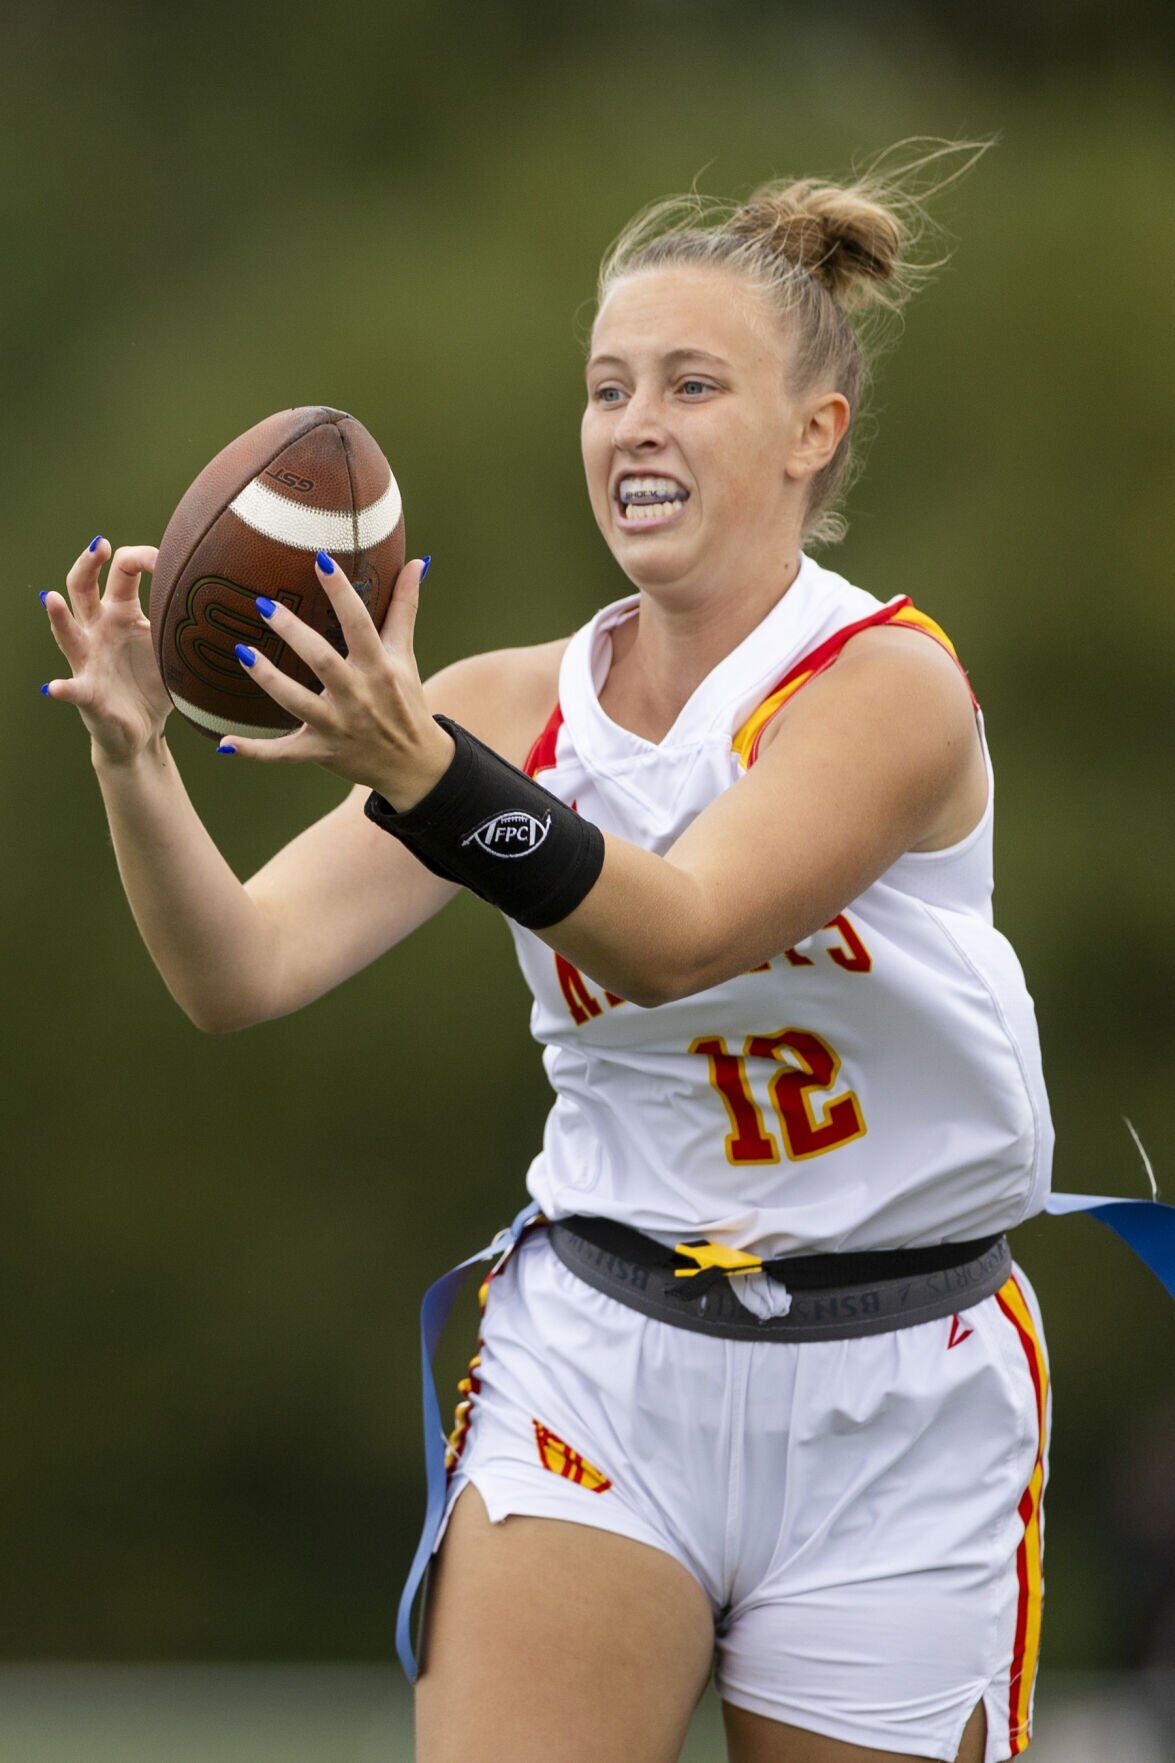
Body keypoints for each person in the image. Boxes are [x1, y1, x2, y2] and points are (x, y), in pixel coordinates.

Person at [42, 139, 1055, 1763]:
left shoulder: (885, 689)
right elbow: (237, 973)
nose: (634, 424)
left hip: (899, 1382)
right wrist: (134, 759)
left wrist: (427, 775)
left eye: (691, 385)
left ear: (815, 433)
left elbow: (682, 938)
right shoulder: (510, 703)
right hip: (605, 1358)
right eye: (606, 389)